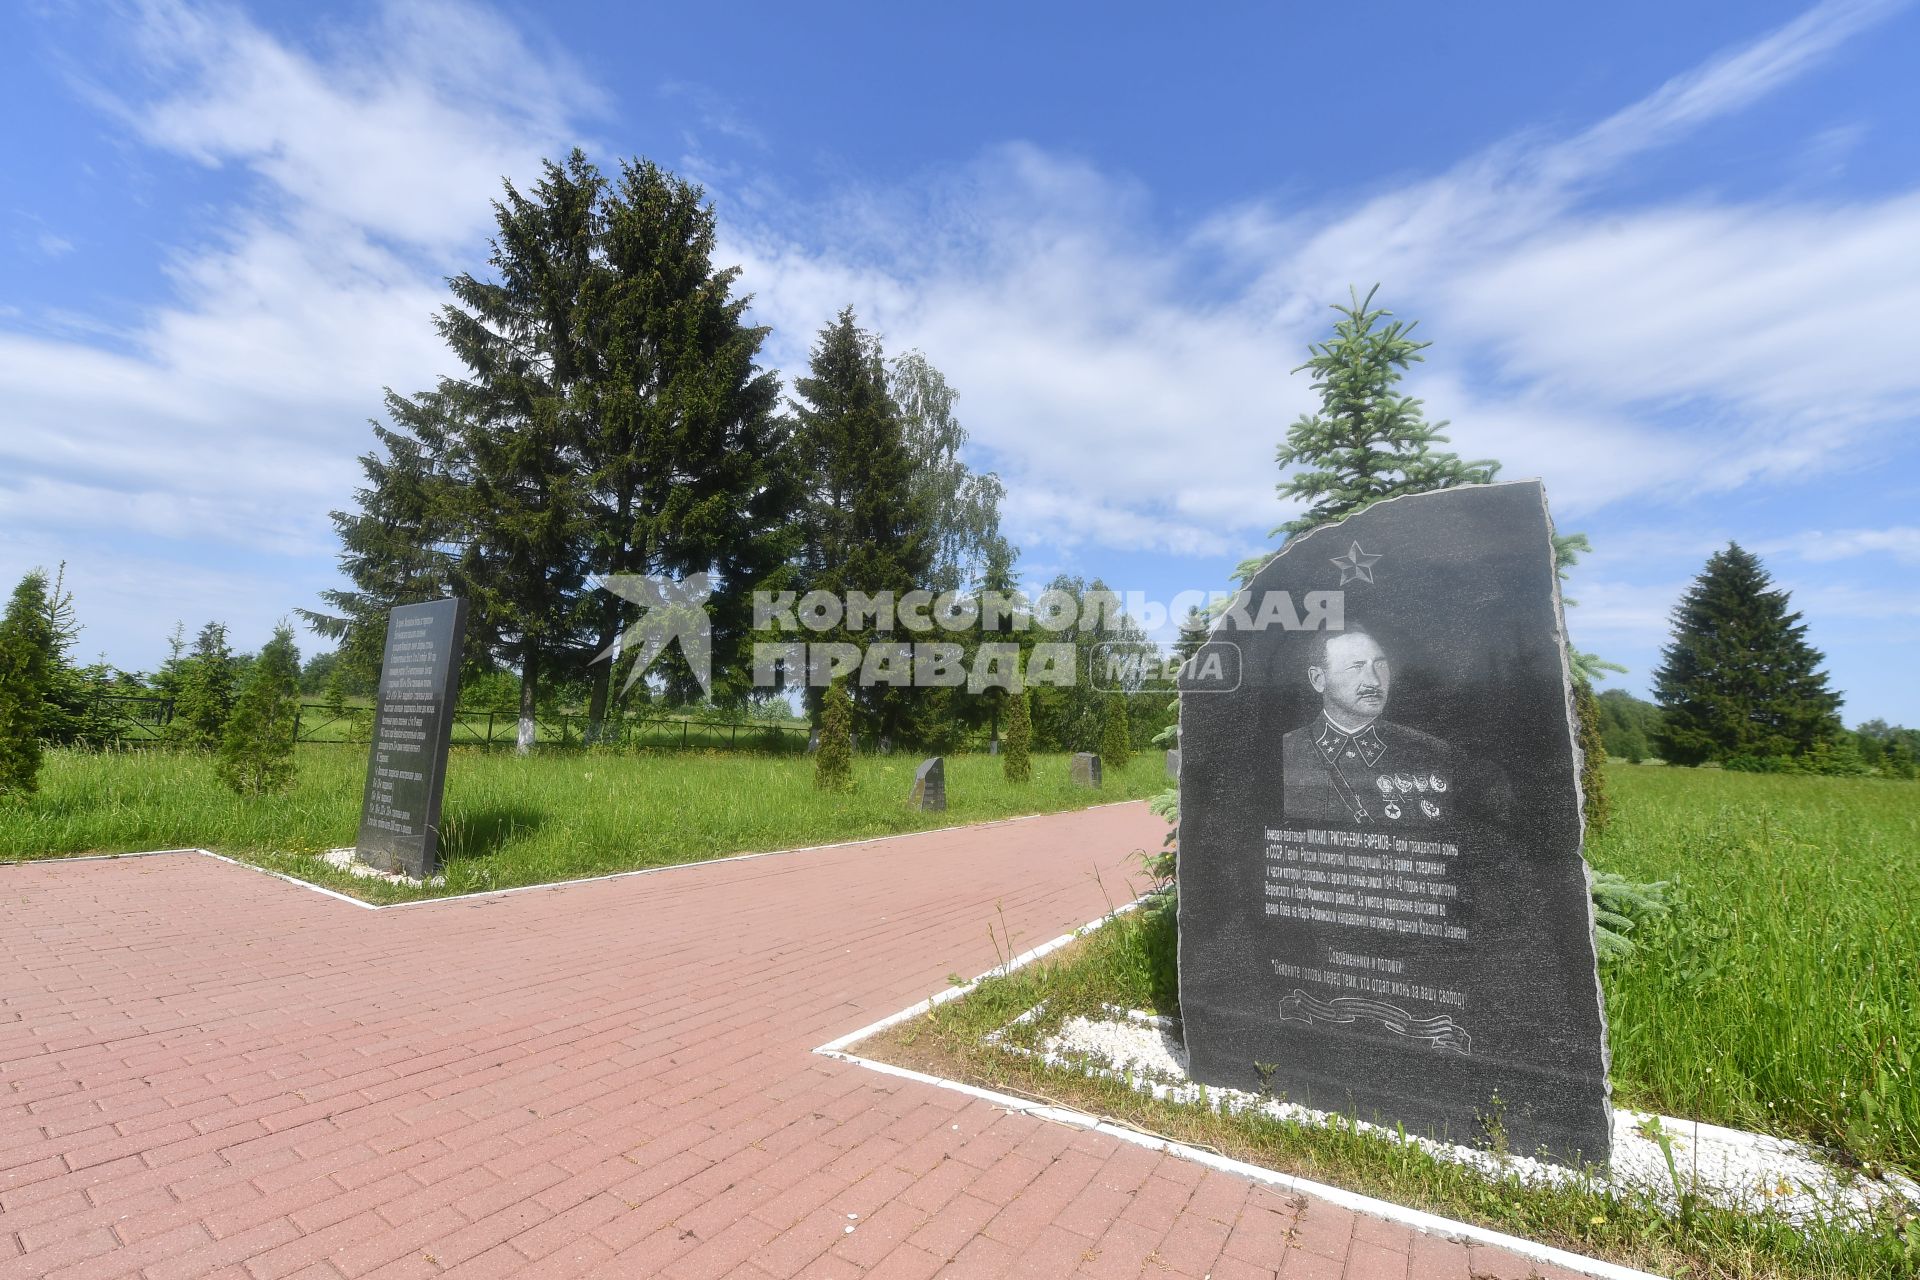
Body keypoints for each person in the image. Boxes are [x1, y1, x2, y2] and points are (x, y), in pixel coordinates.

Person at [1280, 629, 1458, 826]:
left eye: (1380, 664)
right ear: (1318, 679)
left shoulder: (1431, 751)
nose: (1374, 681)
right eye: (1356, 667)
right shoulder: (1288, 749)